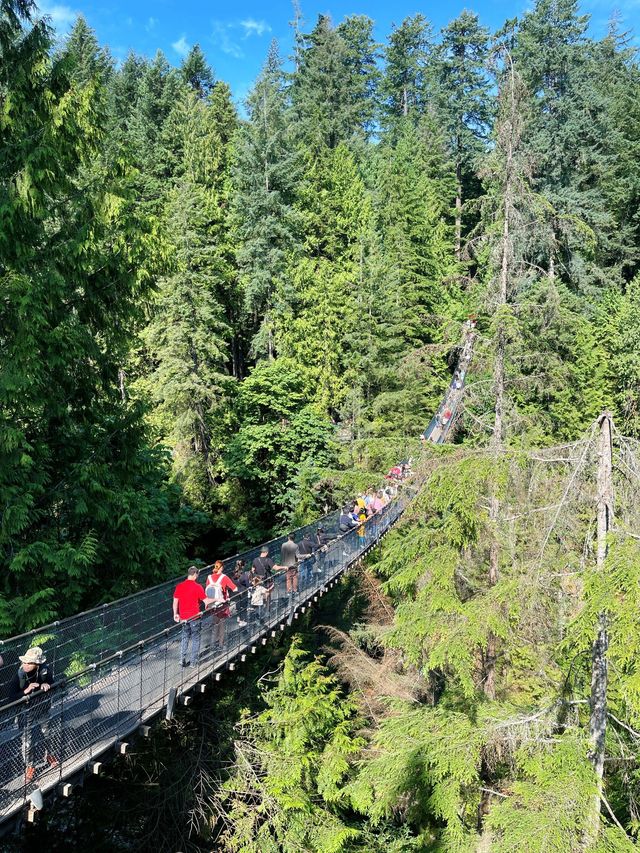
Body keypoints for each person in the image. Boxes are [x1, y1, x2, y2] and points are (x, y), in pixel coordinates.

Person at [8, 647, 56, 783]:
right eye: (25, 662)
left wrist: (48, 684)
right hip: (25, 712)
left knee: (48, 732)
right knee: (27, 742)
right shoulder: (19, 675)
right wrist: (26, 691)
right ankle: (30, 766)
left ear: (37, 664)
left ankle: (49, 755)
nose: (25, 665)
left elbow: (53, 683)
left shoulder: (44, 670)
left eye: (29, 663)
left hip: (42, 707)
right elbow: (11, 698)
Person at [173, 567, 209, 668]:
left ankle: (182, 659)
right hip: (195, 617)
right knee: (196, 638)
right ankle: (193, 662)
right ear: (195, 574)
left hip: (183, 618)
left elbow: (175, 601)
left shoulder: (179, 586)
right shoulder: (198, 587)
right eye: (197, 575)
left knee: (185, 637)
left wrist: (175, 614)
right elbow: (206, 601)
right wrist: (217, 599)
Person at [205, 560, 238, 651]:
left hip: (212, 605)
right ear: (222, 567)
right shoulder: (224, 577)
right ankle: (220, 645)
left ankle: (212, 645)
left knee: (215, 624)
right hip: (222, 605)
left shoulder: (209, 577)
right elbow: (235, 588)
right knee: (222, 625)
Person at [232, 560, 250, 628]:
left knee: (238, 605)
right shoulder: (244, 575)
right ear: (243, 566)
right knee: (244, 606)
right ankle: (242, 621)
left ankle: (238, 618)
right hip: (243, 592)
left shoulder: (234, 574)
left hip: (236, 592)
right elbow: (248, 585)